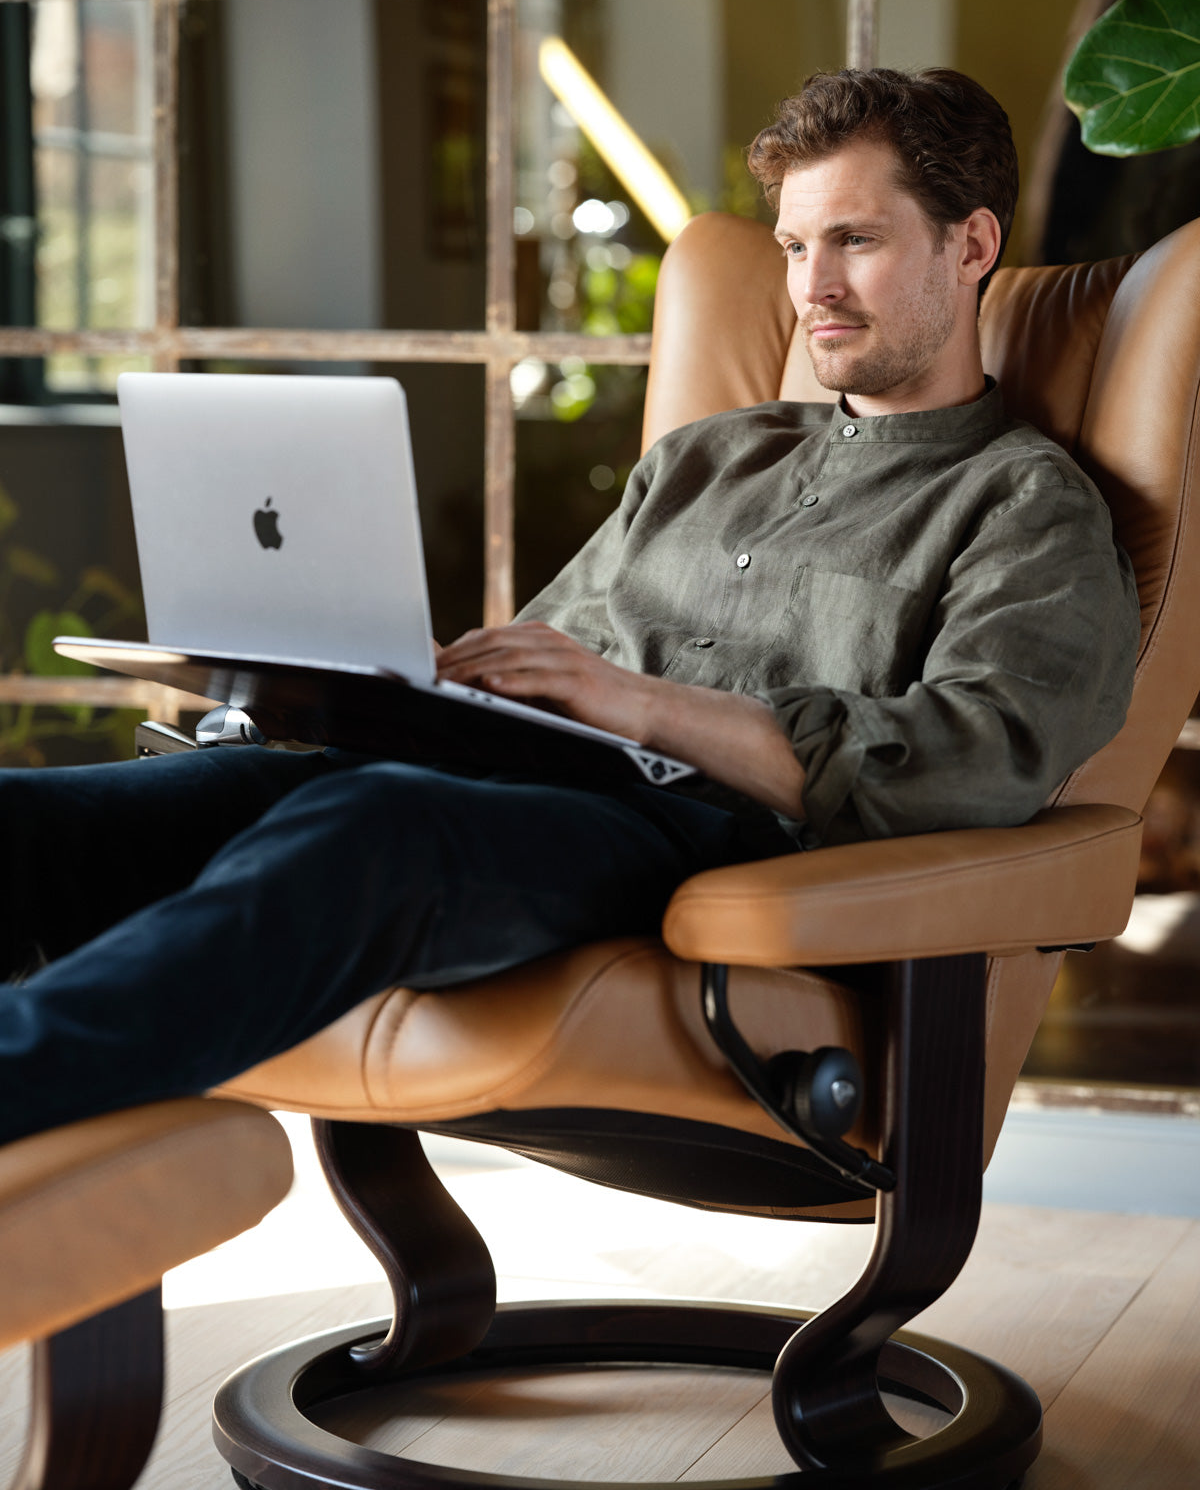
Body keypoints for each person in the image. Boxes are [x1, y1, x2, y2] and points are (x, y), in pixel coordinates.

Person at [0, 67, 1139, 1147]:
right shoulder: (705, 458)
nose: (812, 288)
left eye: (856, 240)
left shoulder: (1026, 505)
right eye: (796, 245)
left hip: (689, 850)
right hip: (498, 788)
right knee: (55, 821)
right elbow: (552, 667)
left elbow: (970, 759)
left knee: (375, 833)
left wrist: (642, 707)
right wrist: (402, 677)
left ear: (972, 244)